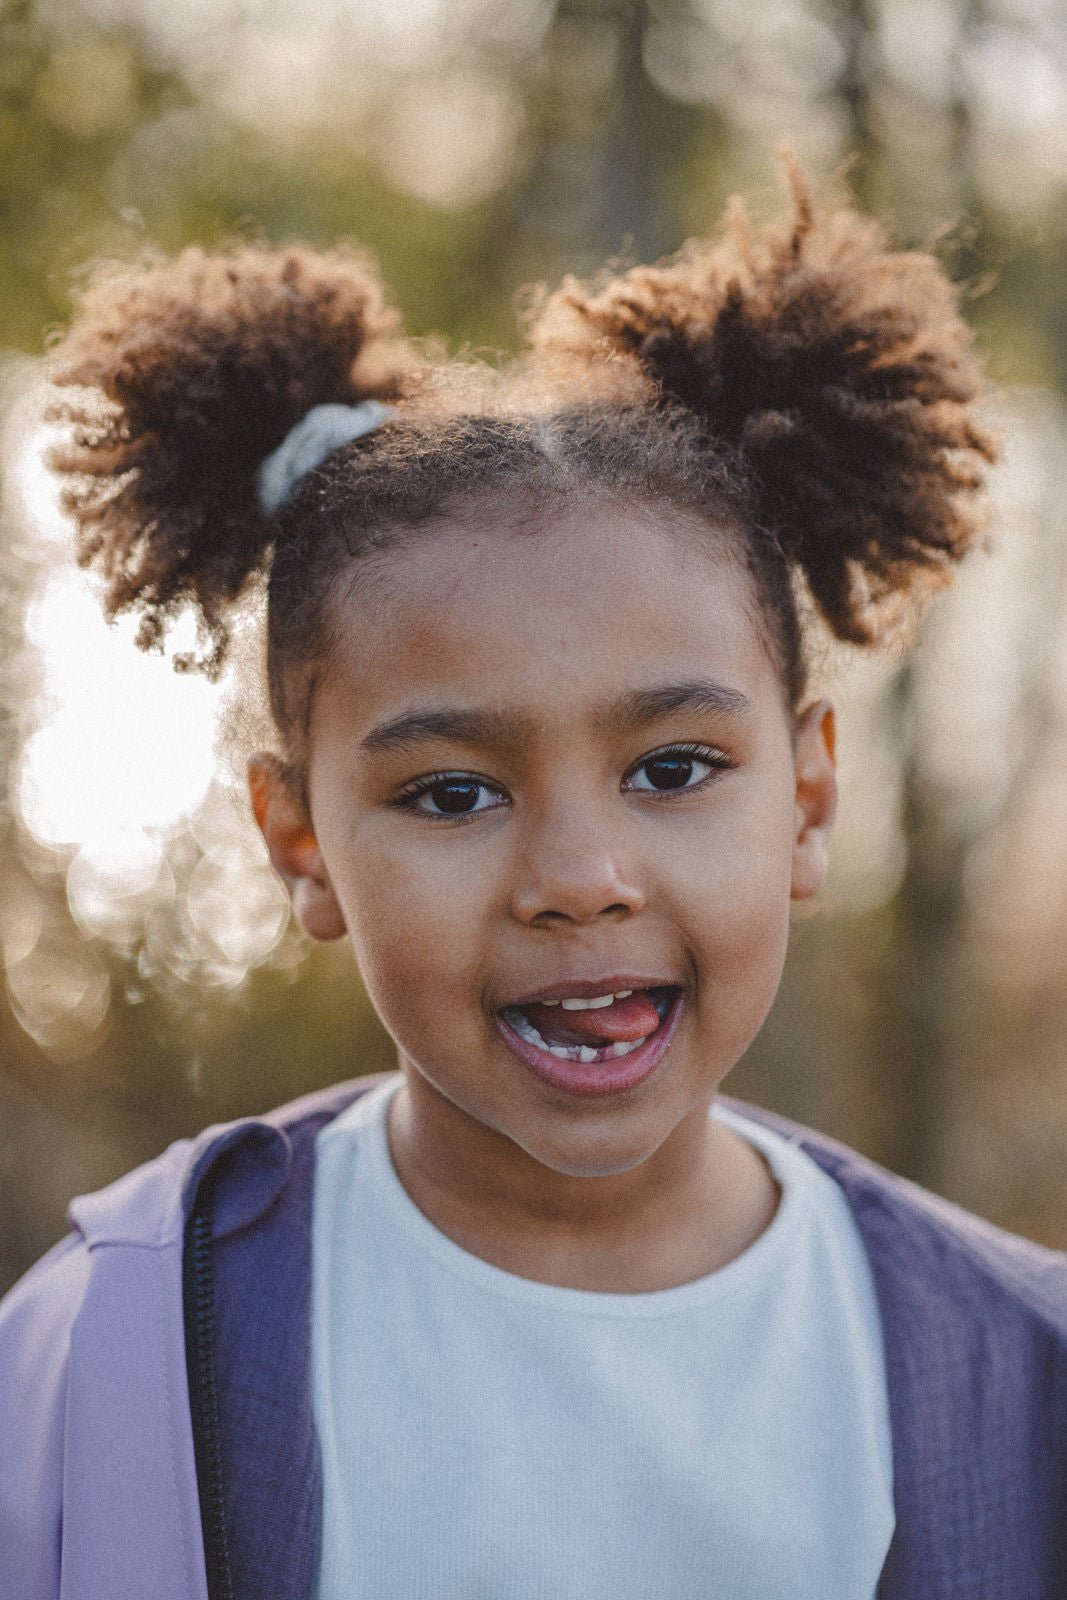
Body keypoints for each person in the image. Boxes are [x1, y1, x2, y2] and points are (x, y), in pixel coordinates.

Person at [1, 158, 1064, 1600]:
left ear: (808, 797)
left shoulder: (1021, 1379)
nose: (578, 879)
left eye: (675, 769)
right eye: (453, 793)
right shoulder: (116, 1345)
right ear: (299, 841)